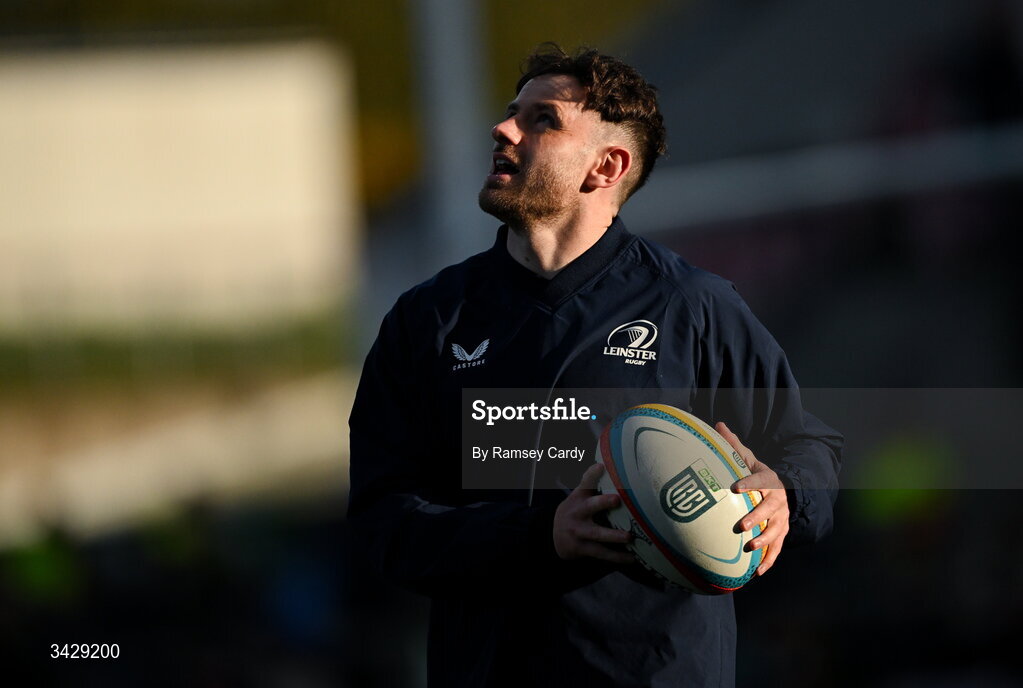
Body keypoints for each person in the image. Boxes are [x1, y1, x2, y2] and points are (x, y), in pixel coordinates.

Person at [348, 45, 841, 688]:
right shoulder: (427, 321)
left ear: (606, 165)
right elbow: (383, 522)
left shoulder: (690, 306)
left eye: (542, 119)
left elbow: (809, 447)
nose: (503, 129)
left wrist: (785, 495)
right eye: (510, 113)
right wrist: (539, 537)